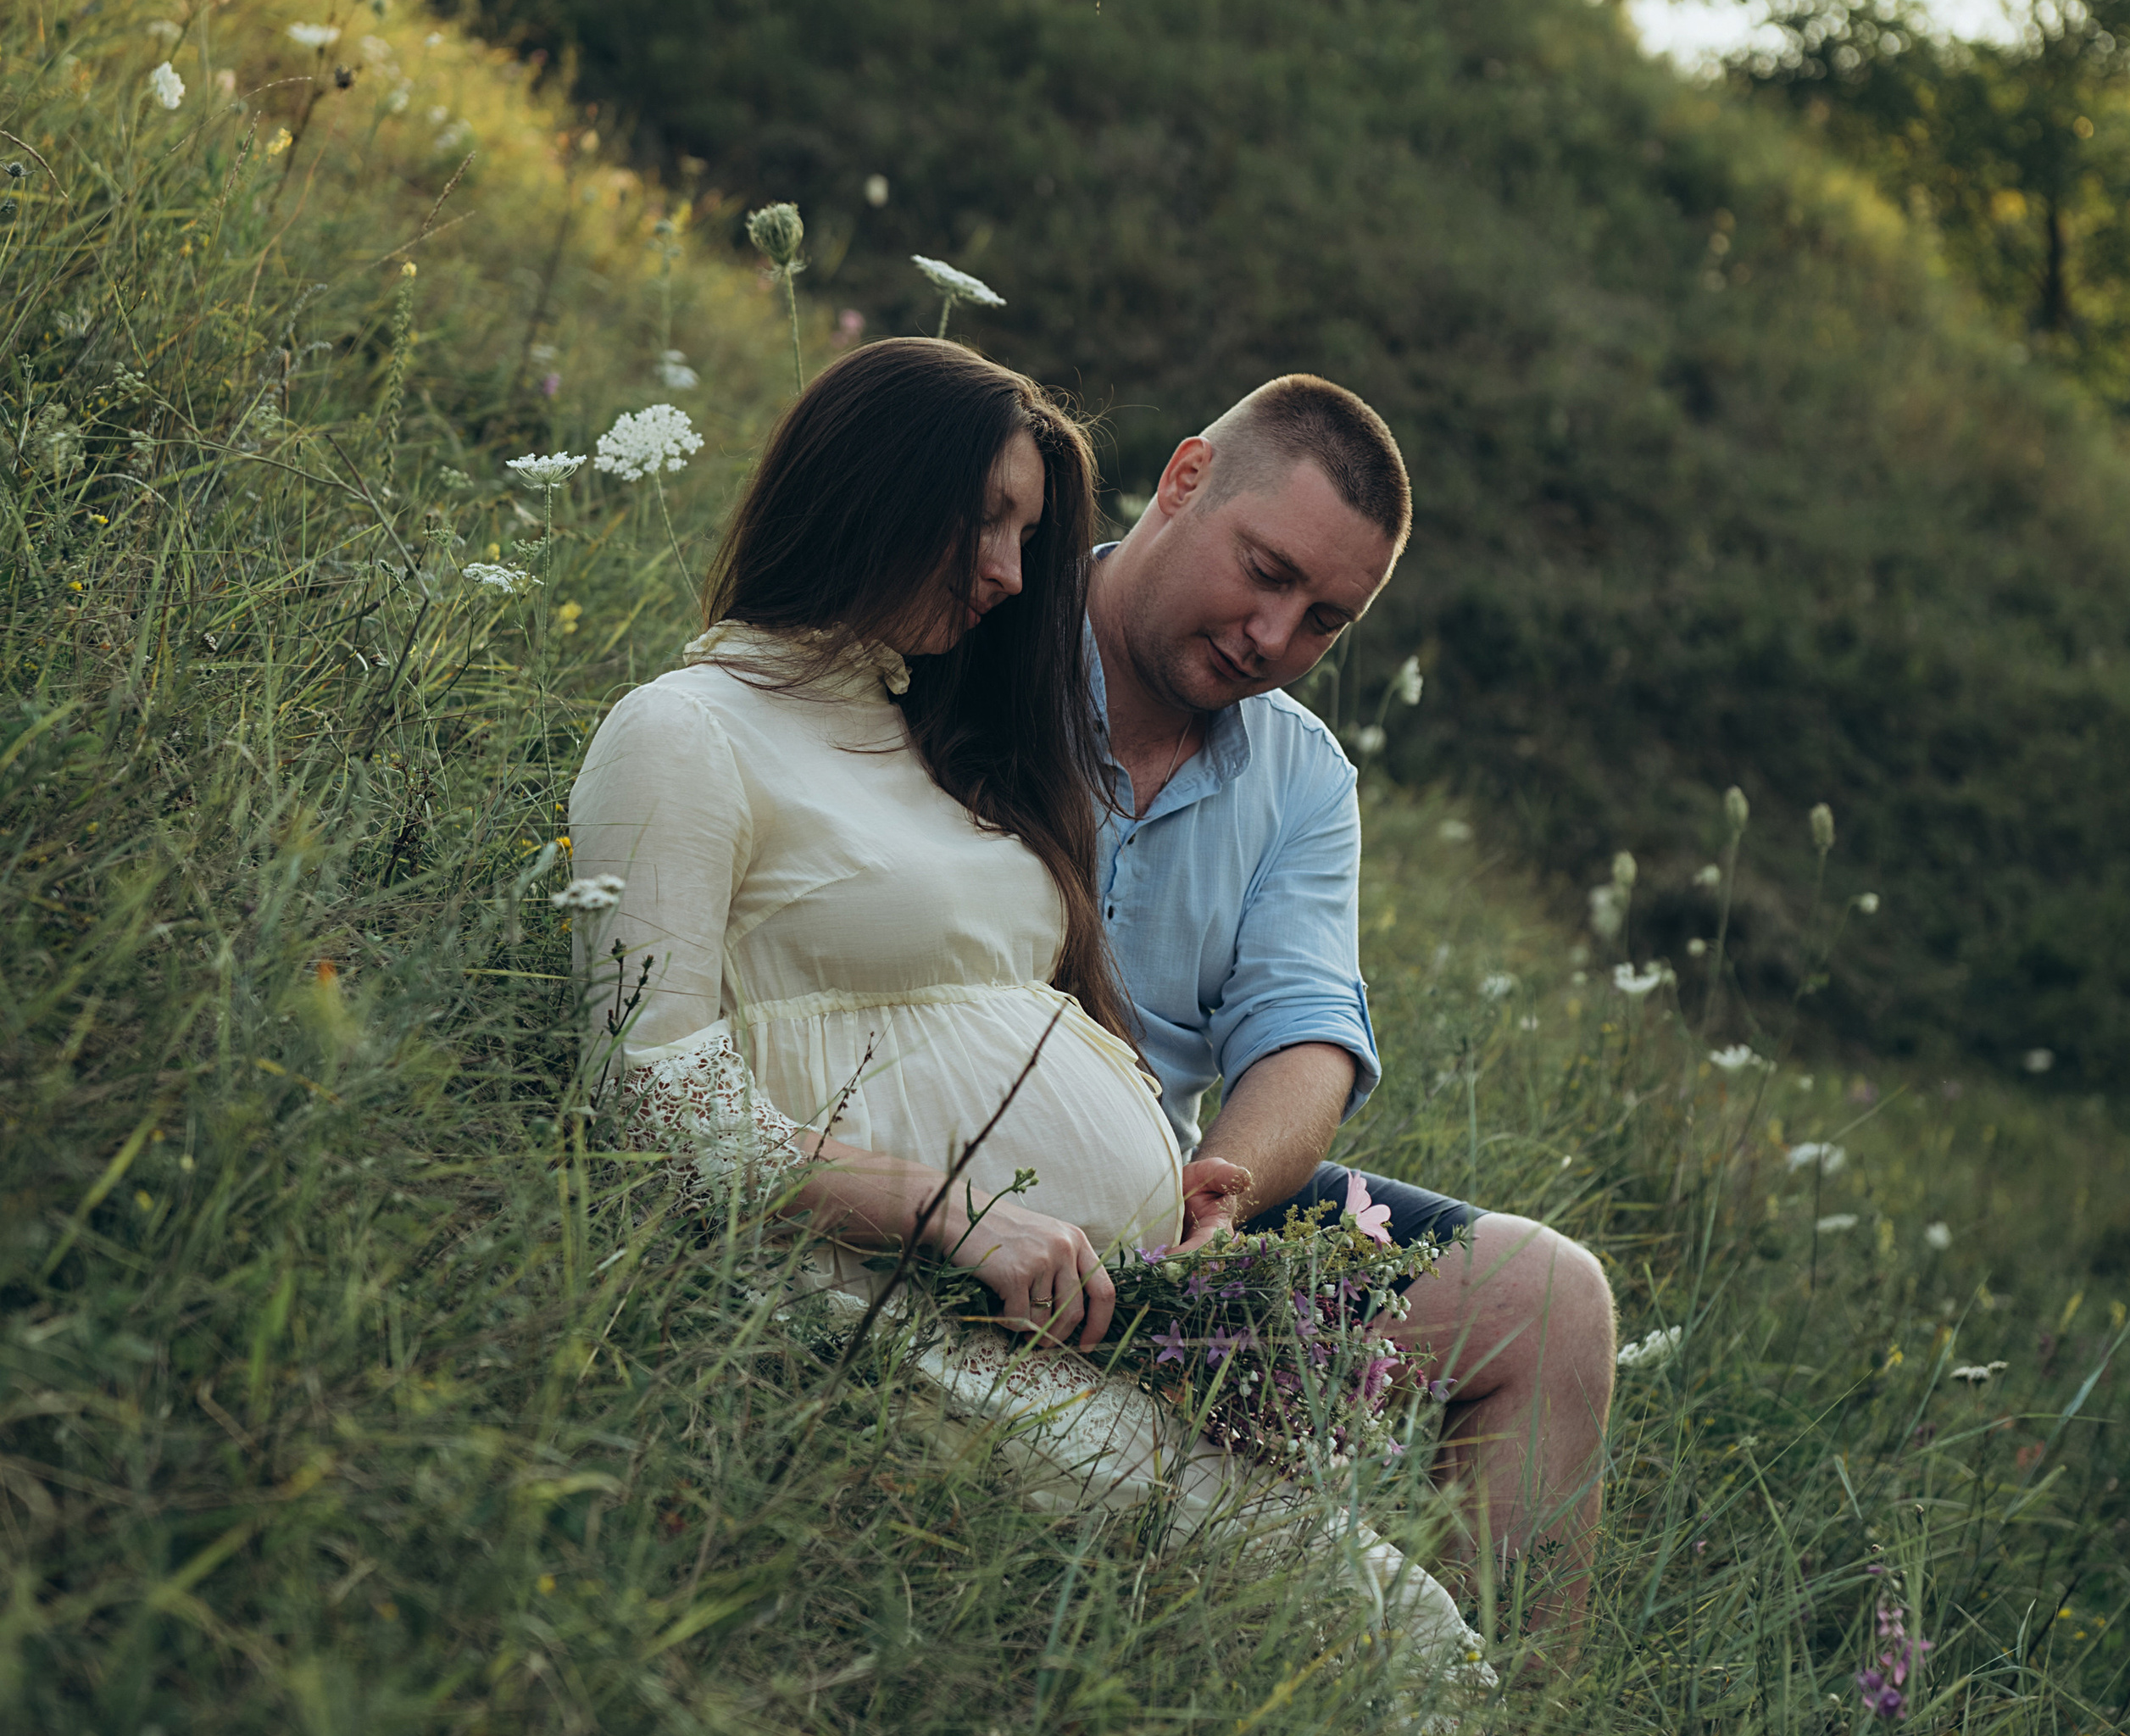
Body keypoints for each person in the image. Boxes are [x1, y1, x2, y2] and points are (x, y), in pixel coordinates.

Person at [1084, 376, 1616, 1621]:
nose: (1274, 637)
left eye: (1324, 616)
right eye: (1263, 570)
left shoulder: (1301, 774)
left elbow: (1306, 1037)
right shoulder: (990, 621)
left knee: (1553, 1302)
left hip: (1171, 1209)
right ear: (1183, 479)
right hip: (978, 1136)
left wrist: (1223, 1179)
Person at [565, 338, 1182, 1327]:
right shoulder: (685, 730)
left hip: (1064, 1321)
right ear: (870, 487)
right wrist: (947, 1213)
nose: (1010, 574)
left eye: (1026, 536)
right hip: (867, 1311)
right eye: (986, 521)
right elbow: (648, 1098)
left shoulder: (942, 748)